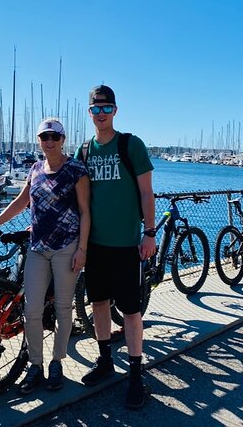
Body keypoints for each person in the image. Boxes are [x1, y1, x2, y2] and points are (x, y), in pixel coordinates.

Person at [0, 117, 90, 394]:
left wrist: (83, 249)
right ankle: (35, 365)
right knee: (31, 310)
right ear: (39, 140)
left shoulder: (75, 170)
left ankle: (57, 362)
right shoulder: (35, 169)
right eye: (44, 137)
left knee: (62, 308)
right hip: (37, 247)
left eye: (54, 137)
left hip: (66, 247)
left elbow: (85, 211)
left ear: (63, 139)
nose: (49, 142)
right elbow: (20, 203)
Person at [74, 85, 156, 409]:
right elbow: (79, 199)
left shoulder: (129, 145)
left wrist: (149, 233)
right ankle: (105, 361)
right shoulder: (85, 151)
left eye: (106, 108)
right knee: (99, 305)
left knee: (132, 312)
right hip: (94, 245)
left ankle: (136, 376)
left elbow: (147, 193)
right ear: (90, 112)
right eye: (96, 109)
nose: (101, 114)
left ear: (115, 111)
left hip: (125, 245)